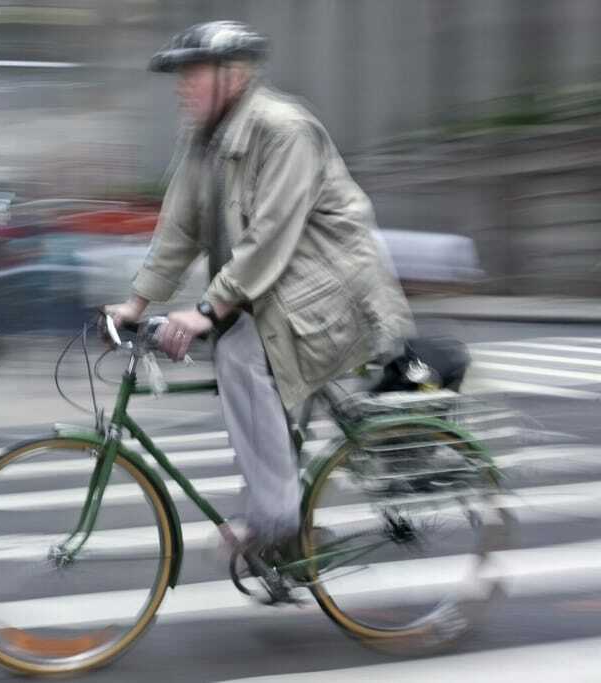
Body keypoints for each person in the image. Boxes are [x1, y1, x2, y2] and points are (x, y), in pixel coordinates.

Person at [104, 21, 414, 570]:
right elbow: (179, 230)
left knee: (240, 352)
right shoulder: (202, 140)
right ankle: (289, 541)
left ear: (234, 75)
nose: (182, 86)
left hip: (334, 294)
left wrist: (208, 310)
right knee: (250, 372)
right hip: (279, 294)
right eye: (180, 75)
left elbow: (269, 237)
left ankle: (276, 521)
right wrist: (136, 303)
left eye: (193, 73)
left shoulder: (285, 129)